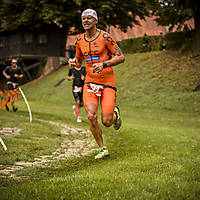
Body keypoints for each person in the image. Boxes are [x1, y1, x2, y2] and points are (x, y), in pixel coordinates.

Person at [68, 8, 125, 159]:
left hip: (107, 82)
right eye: (83, 18)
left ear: (96, 21)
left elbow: (121, 57)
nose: (85, 20)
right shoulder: (79, 41)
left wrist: (104, 64)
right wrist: (74, 62)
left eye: (89, 18)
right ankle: (102, 148)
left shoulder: (105, 37)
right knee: (91, 115)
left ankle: (115, 113)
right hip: (90, 82)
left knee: (106, 121)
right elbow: (79, 63)